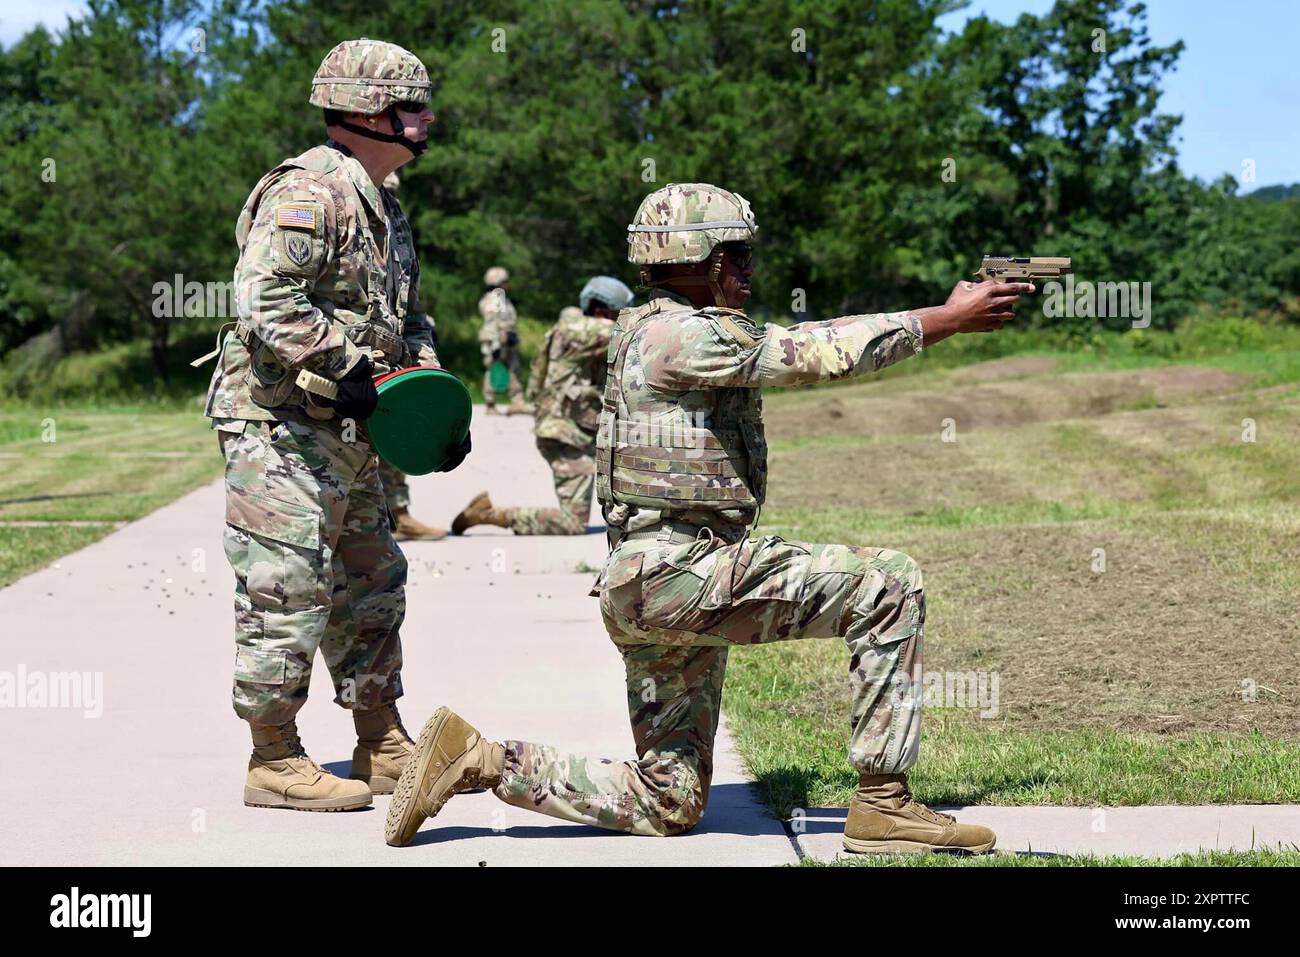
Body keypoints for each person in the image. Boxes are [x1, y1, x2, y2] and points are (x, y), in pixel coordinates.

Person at [385, 182, 1030, 854]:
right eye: (737, 256)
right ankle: (885, 803)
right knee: (888, 583)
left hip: (647, 583)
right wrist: (947, 318)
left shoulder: (640, 325)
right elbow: (813, 351)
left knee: (670, 798)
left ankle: (479, 757)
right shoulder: (684, 335)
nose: (749, 271)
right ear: (696, 256)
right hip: (684, 573)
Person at [198, 38, 469, 812]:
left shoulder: (387, 209)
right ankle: (273, 758)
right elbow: (264, 299)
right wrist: (345, 363)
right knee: (287, 585)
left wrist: (432, 401)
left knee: (373, 578)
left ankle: (380, 739)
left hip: (356, 432)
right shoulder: (309, 194)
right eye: (411, 105)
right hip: (279, 422)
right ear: (363, 112)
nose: (426, 118)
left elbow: (409, 323)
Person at [450, 276, 634, 536]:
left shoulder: (575, 331)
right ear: (602, 312)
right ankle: (489, 515)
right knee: (572, 523)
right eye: (618, 314)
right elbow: (633, 333)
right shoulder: (577, 330)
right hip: (564, 434)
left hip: (570, 430)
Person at [375, 170, 449, 542]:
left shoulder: (396, 230)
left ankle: (396, 514)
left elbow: (410, 309)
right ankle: (393, 515)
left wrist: (435, 393)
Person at [478, 267, 529, 415]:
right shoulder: (497, 297)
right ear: (499, 282)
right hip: (499, 340)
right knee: (498, 368)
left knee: (508, 368)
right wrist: (499, 340)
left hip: (500, 339)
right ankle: (495, 403)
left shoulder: (491, 298)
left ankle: (512, 401)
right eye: (505, 281)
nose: (508, 284)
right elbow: (495, 321)